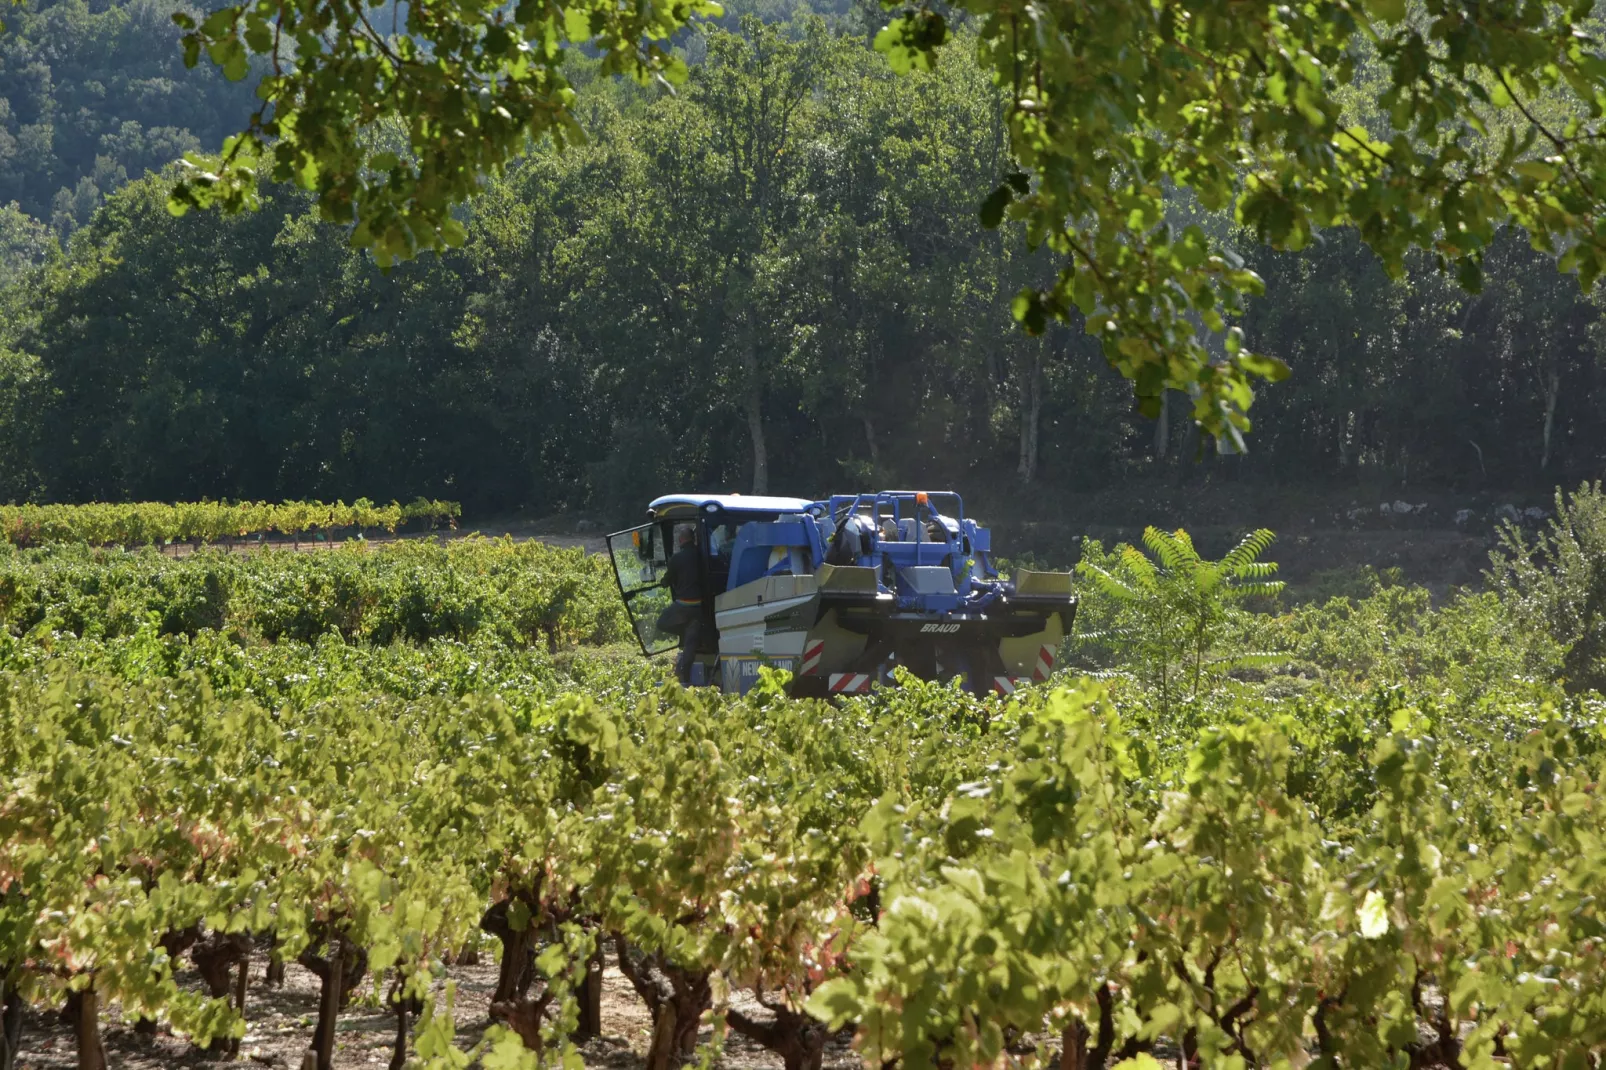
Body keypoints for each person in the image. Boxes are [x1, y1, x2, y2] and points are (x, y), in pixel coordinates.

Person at [658, 525, 706, 684]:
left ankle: (683, 632)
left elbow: (666, 582)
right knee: (690, 646)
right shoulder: (701, 556)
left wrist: (662, 581)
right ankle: (686, 679)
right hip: (699, 607)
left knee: (662, 623)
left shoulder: (677, 559)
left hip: (683, 606)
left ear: (681, 539)